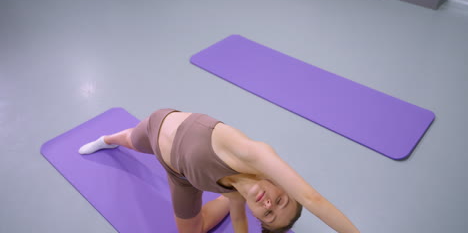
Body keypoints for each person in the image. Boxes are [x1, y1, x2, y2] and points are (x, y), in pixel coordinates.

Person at [79, 109, 359, 233]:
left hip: (183, 179)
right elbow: (313, 199)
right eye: (281, 200)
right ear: (281, 185)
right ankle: (106, 139)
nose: (270, 205)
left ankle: (223, 197)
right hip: (157, 128)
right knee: (128, 140)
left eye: (268, 215)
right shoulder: (253, 153)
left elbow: (240, 224)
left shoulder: (239, 198)